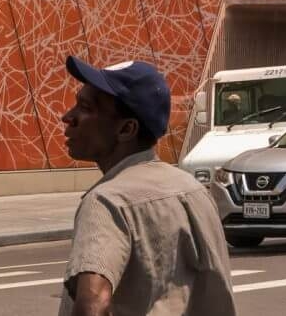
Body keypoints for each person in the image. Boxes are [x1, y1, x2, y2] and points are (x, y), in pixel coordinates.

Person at [60, 56, 236, 316]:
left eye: (85, 107)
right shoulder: (194, 190)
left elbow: (93, 302)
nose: (68, 116)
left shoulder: (108, 201)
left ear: (127, 129)